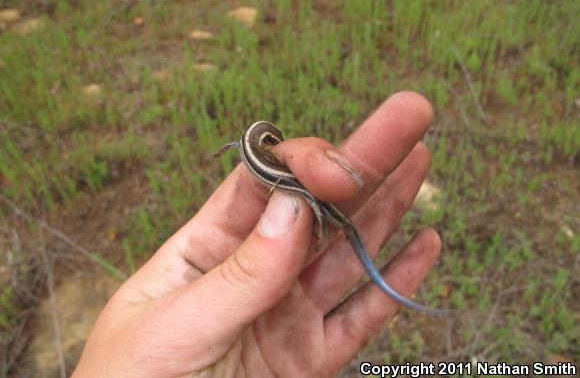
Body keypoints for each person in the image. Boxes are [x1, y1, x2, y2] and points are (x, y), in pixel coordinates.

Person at [72, 92, 442, 378]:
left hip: (296, 190)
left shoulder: (247, 149)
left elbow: (240, 150)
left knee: (313, 202)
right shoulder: (258, 154)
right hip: (293, 189)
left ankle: (323, 220)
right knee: (313, 202)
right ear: (266, 141)